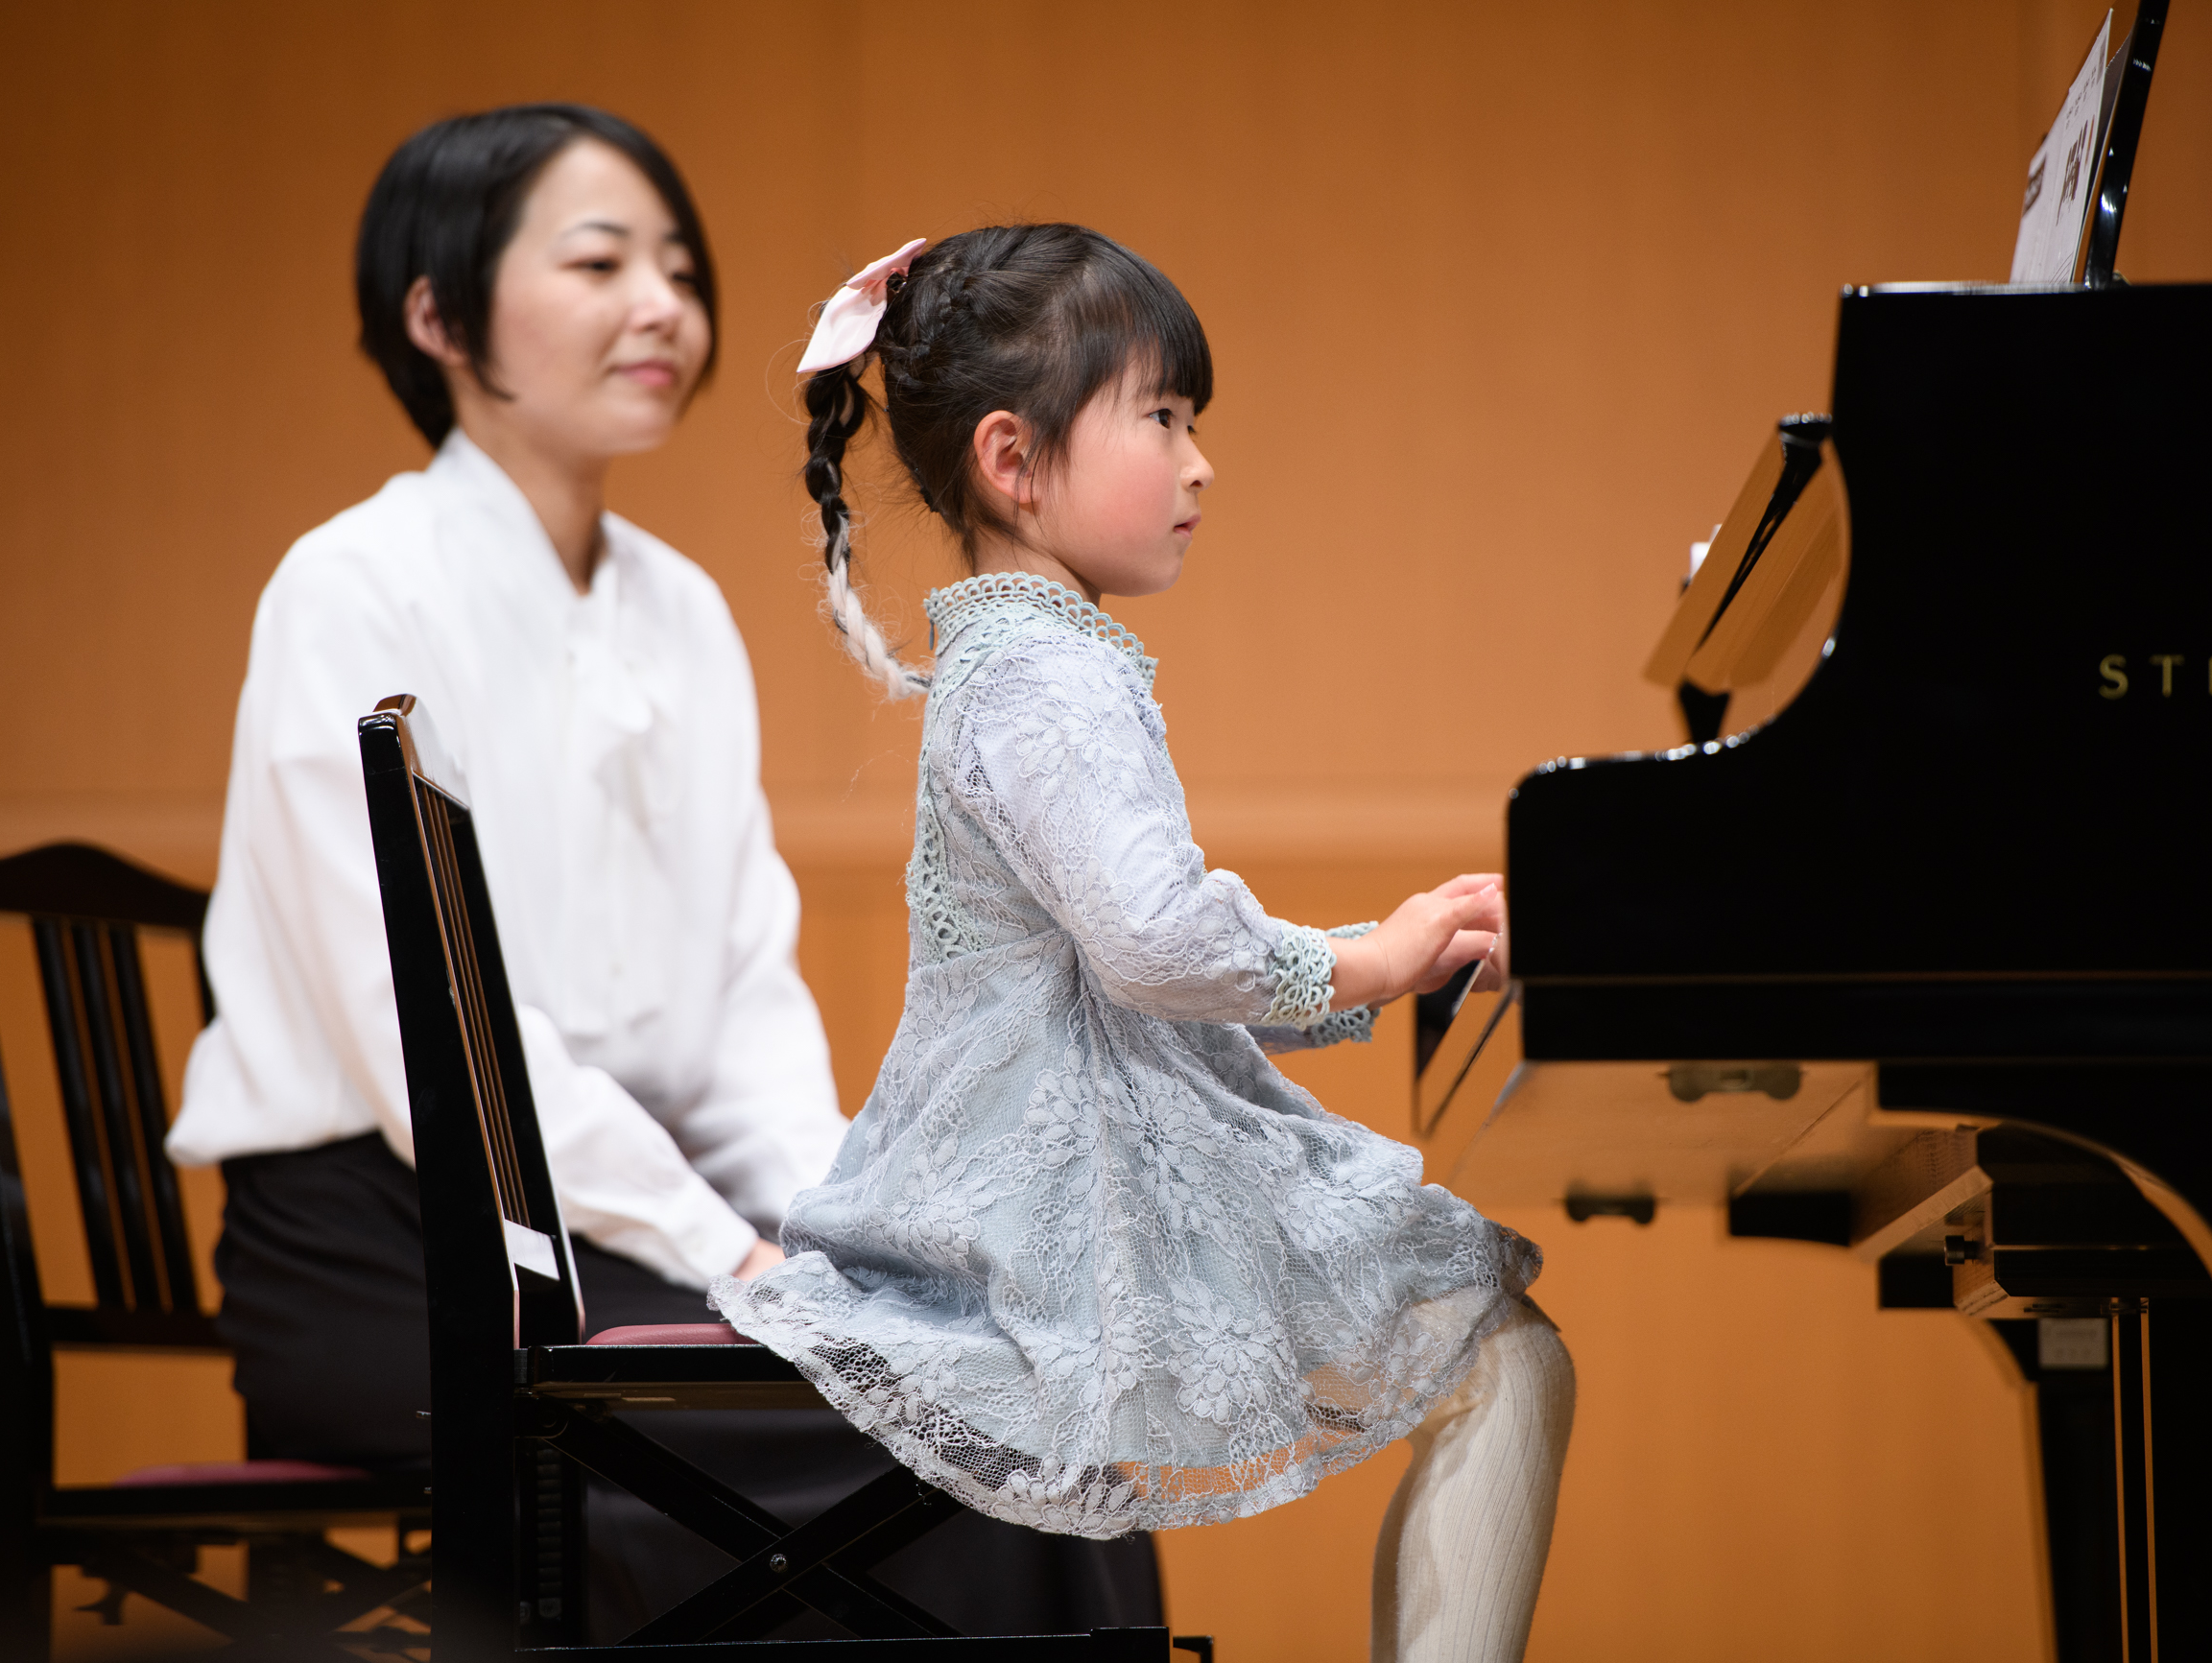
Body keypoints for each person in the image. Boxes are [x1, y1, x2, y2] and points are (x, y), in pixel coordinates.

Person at [169, 110, 1158, 1639]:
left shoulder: (682, 611)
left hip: (636, 1231)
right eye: (600, 259)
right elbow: (426, 1043)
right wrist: (734, 1259)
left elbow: (742, 1005)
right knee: (962, 1445)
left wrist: (840, 1240)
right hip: (408, 1256)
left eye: (680, 269)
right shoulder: (350, 585)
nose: (663, 306)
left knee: (1021, 1385)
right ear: (436, 315)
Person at [714, 224, 1575, 1663]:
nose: (1198, 462)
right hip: (1049, 1202)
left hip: (1039, 1160)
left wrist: (1377, 949)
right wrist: (1370, 959)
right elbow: (1159, 946)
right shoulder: (1049, 677)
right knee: (1504, 1350)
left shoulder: (1024, 657)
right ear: (1014, 459)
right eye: (1162, 416)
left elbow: (1138, 951)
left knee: (1493, 1342)